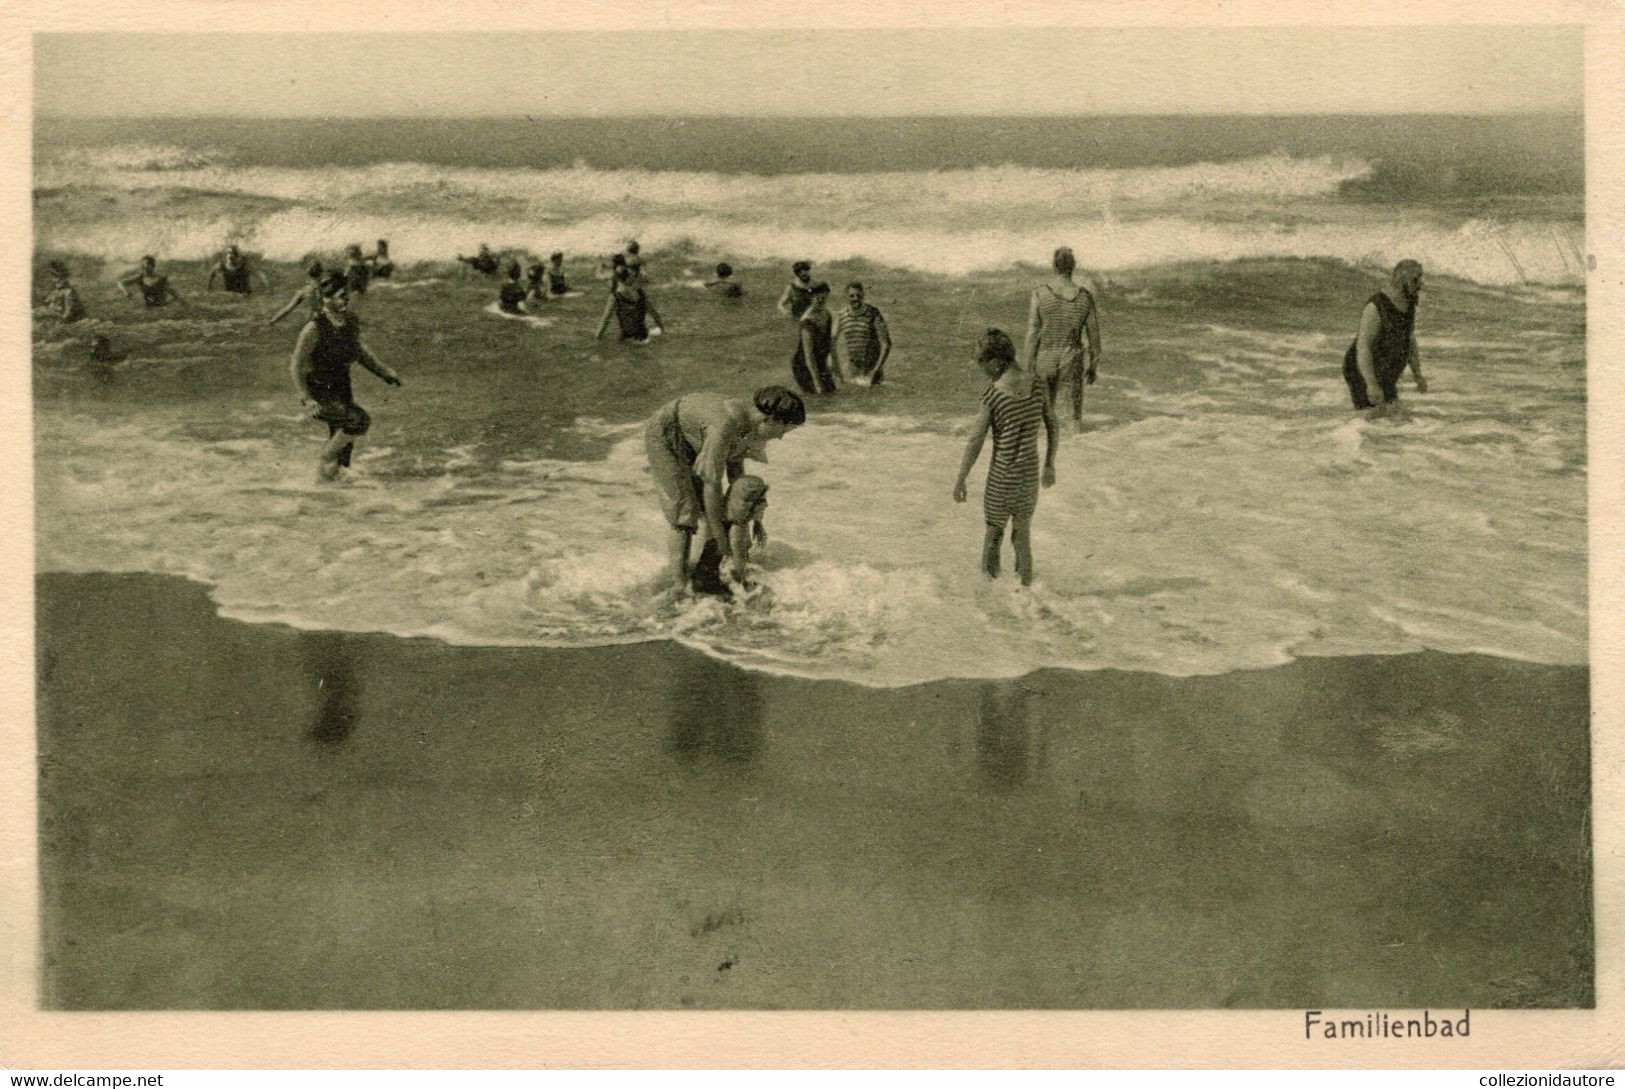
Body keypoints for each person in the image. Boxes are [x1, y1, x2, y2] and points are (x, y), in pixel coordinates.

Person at [643, 386, 805, 593]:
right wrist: (721, 540)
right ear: (769, 419)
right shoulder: (725, 427)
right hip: (666, 433)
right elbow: (712, 485)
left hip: (695, 434)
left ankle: (705, 567)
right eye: (784, 430)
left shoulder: (748, 427)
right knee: (684, 515)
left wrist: (752, 519)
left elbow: (736, 478)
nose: (781, 437)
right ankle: (679, 585)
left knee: (709, 510)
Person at [954, 328, 1059, 586]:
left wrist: (961, 477)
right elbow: (1053, 425)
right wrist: (1049, 464)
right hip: (1028, 477)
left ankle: (989, 597)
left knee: (993, 534)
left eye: (982, 364)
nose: (982, 371)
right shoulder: (1037, 383)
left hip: (1002, 477)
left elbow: (976, 439)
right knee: (1022, 537)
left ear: (997, 361)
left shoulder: (993, 395)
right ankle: (1026, 593)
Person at [289, 274, 403, 482]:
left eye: (347, 295)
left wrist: (383, 371)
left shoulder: (349, 322)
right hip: (320, 391)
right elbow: (296, 364)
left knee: (344, 452)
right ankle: (324, 460)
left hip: (342, 385)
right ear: (326, 298)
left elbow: (359, 351)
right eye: (341, 296)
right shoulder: (314, 328)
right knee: (358, 421)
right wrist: (307, 398)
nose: (346, 299)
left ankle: (331, 493)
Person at [1023, 246, 1100, 429]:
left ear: (1054, 266)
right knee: (1072, 419)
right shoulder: (1084, 297)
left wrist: (1026, 369)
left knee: (1042, 420)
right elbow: (1095, 340)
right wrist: (1093, 368)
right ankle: (1074, 454)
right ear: (1073, 267)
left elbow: (1033, 333)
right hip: (1071, 360)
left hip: (1045, 360)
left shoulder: (1040, 294)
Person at [1344, 259, 1427, 412]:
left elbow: (1409, 340)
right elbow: (1363, 347)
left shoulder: (1409, 303)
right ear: (1403, 281)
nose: (1421, 284)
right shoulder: (1376, 306)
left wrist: (1417, 374)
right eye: (1416, 280)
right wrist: (1371, 384)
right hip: (1362, 370)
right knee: (1372, 417)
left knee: (1393, 415)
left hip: (1385, 370)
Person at [688, 475, 770, 596]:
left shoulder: (731, 519)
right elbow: (739, 560)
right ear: (747, 505)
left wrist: (758, 523)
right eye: (762, 500)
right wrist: (743, 584)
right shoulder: (737, 528)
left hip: (706, 574)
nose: (766, 504)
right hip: (710, 582)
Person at [831, 280, 891, 385]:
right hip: (852, 370)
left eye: (859, 295)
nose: (856, 299)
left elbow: (886, 344)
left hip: (872, 369)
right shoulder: (841, 315)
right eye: (852, 296)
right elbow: (831, 342)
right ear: (846, 296)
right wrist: (837, 369)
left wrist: (876, 370)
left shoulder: (873, 312)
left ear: (863, 295)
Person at [595, 263, 664, 342]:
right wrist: (662, 330)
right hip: (644, 338)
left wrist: (596, 339)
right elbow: (655, 314)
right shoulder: (640, 293)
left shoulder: (616, 297)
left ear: (617, 279)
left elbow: (605, 321)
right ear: (629, 277)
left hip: (627, 340)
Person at [789, 281, 836, 394]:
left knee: (832, 392)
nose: (820, 301)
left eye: (823, 299)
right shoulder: (807, 320)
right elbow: (808, 356)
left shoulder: (827, 315)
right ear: (812, 298)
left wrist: (833, 367)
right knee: (817, 394)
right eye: (817, 299)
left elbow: (829, 344)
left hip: (820, 361)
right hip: (804, 365)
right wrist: (817, 383)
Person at [269, 262, 325, 326]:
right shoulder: (322, 287)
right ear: (321, 274)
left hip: (314, 322)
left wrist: (274, 320)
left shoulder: (304, 291)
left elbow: (288, 309)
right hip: (324, 321)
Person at [119, 256, 184, 308]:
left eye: (147, 264)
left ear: (153, 266)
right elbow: (121, 283)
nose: (145, 267)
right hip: (149, 308)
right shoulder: (140, 278)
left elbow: (173, 293)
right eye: (143, 265)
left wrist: (183, 305)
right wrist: (126, 292)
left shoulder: (161, 278)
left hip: (162, 307)